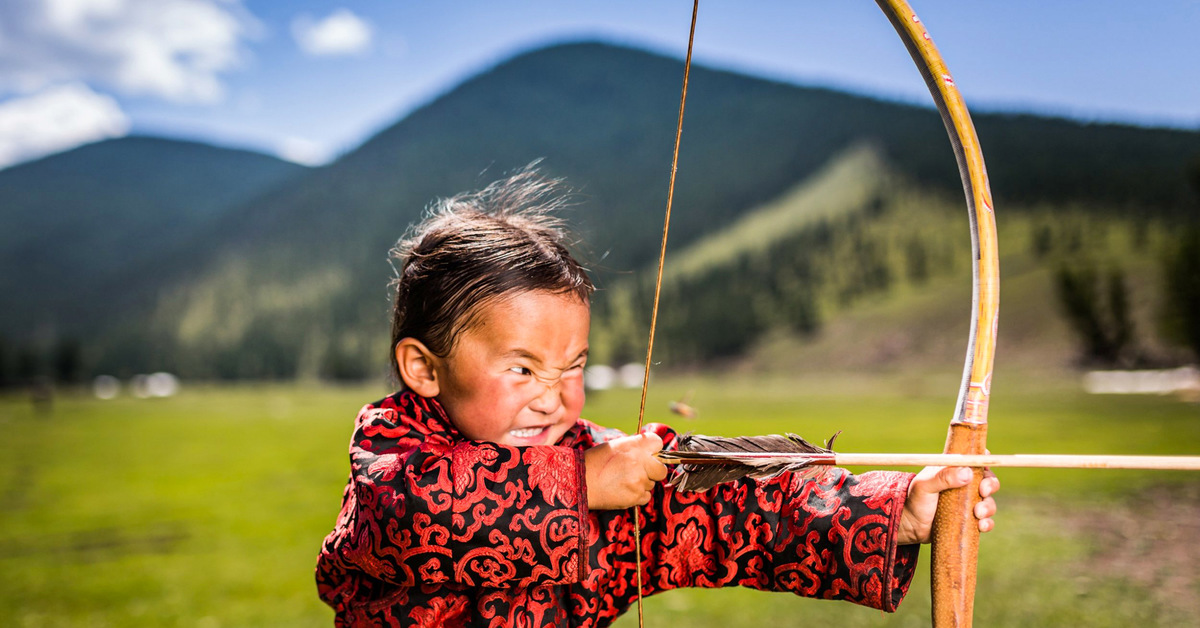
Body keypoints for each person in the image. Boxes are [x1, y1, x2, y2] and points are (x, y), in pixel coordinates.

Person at [315, 170, 999, 627]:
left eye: (573, 366)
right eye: (522, 369)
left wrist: (892, 512)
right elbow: (413, 513)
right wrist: (583, 482)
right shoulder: (392, 455)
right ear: (424, 369)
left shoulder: (595, 463)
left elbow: (734, 507)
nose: (554, 399)